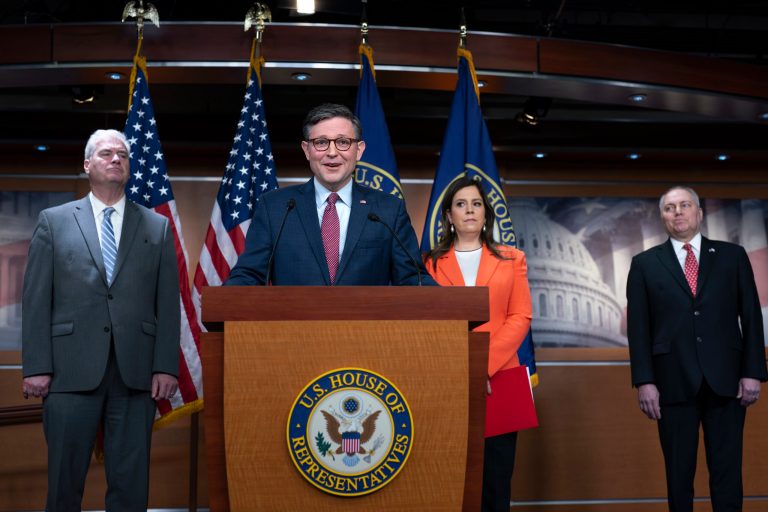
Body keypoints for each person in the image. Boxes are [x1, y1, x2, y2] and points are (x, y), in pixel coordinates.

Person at [21, 129, 181, 511]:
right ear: (87, 164)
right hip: (67, 371)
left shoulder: (156, 226)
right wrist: (36, 367)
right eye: (106, 153)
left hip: (136, 372)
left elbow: (167, 302)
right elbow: (36, 299)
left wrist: (165, 366)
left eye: (122, 154)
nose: (116, 159)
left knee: (130, 485)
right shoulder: (54, 221)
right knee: (64, 480)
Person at [627, 186, 767, 512]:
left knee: (727, 473)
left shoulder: (733, 256)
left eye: (685, 205)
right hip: (671, 383)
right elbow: (639, 329)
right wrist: (644, 381)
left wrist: (752, 372)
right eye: (670, 208)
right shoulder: (645, 264)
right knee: (678, 476)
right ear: (661, 216)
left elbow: (750, 316)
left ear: (699, 213)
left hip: (727, 381)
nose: (678, 212)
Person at [226, 103, 433, 286]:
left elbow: (412, 279)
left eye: (343, 142)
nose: (332, 152)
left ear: (359, 150)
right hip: (294, 328)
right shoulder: (275, 207)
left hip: (365, 329)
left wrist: (455, 307)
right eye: (321, 142)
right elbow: (249, 275)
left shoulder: (388, 210)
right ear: (307, 150)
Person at [423, 174, 532, 512]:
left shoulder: (513, 258)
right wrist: (462, 368)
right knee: (450, 478)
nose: (469, 210)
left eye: (476, 204)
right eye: (460, 204)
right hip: (448, 380)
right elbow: (428, 323)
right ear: (448, 216)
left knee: (496, 483)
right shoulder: (428, 264)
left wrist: (480, 367)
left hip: (502, 380)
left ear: (486, 213)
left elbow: (520, 317)